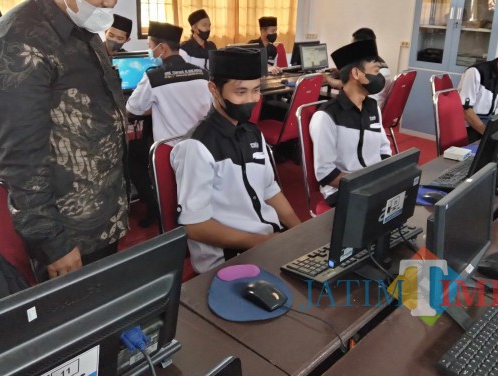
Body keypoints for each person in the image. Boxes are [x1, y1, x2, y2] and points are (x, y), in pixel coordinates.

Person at [0, 0, 130, 281]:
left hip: (102, 212)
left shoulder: (82, 26)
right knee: (74, 327)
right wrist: (51, 242)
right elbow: (19, 159)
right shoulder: (18, 41)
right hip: (66, 231)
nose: (110, 2)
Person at [171, 48, 301, 273]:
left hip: (268, 240)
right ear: (214, 90)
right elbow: (194, 225)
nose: (251, 100)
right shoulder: (197, 146)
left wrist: (301, 232)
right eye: (240, 92)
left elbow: (270, 189)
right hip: (231, 257)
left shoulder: (252, 133)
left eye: (256, 90)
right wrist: (261, 243)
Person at [126, 21, 212, 228]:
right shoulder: (202, 73)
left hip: (170, 149)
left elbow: (133, 109)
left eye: (150, 45)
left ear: (162, 48)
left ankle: (154, 204)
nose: (149, 50)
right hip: (201, 144)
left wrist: (156, 104)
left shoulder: (154, 76)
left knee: (130, 156)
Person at [310, 39, 392, 206]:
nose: (380, 77)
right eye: (376, 71)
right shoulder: (326, 116)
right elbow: (325, 173)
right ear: (356, 74)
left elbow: (384, 148)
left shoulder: (372, 107)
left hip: (372, 185)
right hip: (342, 190)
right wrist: (364, 186)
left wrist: (385, 179)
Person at [322, 27, 393, 108]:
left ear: (359, 45)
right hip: (378, 104)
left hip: (368, 106)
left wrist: (327, 78)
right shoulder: (378, 61)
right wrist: (342, 72)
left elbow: (350, 86)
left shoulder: (368, 65)